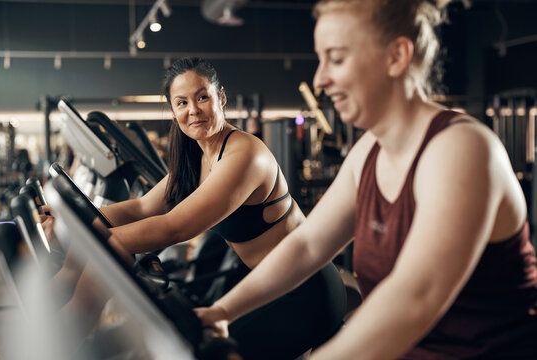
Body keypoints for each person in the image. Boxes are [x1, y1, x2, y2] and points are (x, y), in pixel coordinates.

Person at [195, 1, 537, 359]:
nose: (320, 79)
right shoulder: (370, 151)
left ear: (396, 57)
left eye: (336, 58)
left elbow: (415, 298)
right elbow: (308, 246)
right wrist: (223, 311)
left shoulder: (462, 149)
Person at [83, 57, 346, 360]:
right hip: (266, 285)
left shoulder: (244, 154)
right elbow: (143, 208)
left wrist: (96, 239)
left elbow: (175, 227)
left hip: (305, 290)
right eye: (181, 103)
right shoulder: (197, 158)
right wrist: (77, 216)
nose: (192, 110)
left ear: (221, 98)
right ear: (173, 111)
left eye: (202, 97)